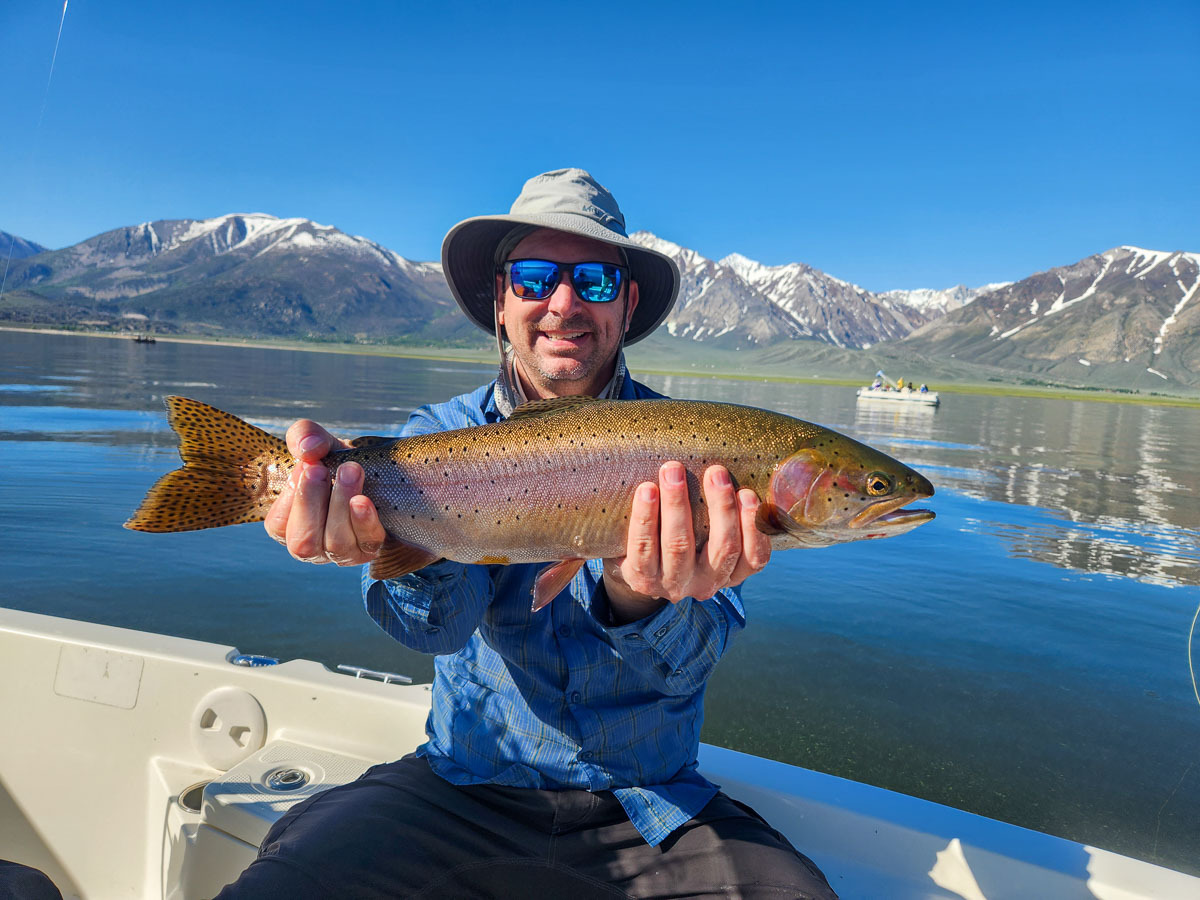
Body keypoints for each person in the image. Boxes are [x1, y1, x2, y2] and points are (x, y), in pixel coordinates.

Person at [218, 169, 838, 899]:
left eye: (596, 282)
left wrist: (636, 598)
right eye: (536, 278)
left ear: (628, 302)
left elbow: (693, 662)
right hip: (463, 787)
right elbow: (433, 631)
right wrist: (377, 542)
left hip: (652, 806)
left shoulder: (697, 454)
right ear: (502, 300)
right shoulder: (435, 438)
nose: (564, 303)